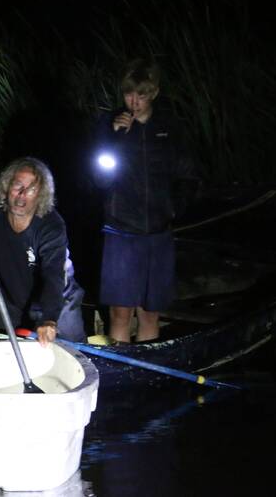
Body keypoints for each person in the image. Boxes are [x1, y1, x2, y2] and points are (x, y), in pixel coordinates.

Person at [93, 59, 197, 343]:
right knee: (120, 313)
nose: (134, 101)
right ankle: (123, 373)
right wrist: (115, 139)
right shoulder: (109, 124)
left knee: (150, 313)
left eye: (141, 94)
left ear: (154, 93)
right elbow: (99, 179)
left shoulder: (169, 127)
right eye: (128, 94)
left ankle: (146, 375)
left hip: (158, 232)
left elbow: (187, 175)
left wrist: (175, 209)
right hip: (121, 229)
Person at [0, 157, 86, 346]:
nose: (22, 195)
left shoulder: (51, 225)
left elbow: (53, 275)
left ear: (41, 195)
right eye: (17, 186)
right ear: (6, 187)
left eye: (31, 190)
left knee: (73, 353)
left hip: (58, 298)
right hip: (10, 299)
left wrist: (49, 319)